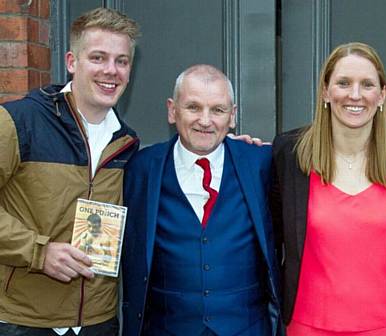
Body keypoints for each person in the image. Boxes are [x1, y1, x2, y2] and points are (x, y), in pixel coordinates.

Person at [271, 42, 386, 335]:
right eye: (343, 83)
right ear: (325, 92)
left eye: (367, 85)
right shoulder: (290, 155)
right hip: (308, 327)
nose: (355, 95)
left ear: (381, 96)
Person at [0, 7, 139, 336]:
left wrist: (225, 144)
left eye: (121, 61)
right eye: (98, 58)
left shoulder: (128, 143)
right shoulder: (19, 122)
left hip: (98, 322)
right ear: (72, 62)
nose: (111, 71)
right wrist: (38, 251)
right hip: (23, 322)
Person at [121, 64, 281, 336]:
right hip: (166, 329)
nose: (205, 121)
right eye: (193, 107)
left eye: (217, 110)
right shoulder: (140, 168)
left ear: (232, 116)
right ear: (172, 110)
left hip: (247, 328)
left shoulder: (261, 163)